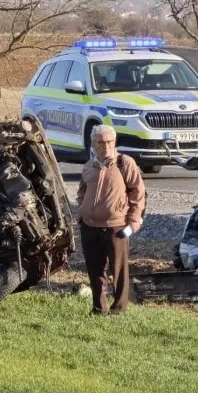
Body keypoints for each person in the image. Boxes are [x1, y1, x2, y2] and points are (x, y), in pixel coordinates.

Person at [76, 124, 146, 315]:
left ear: (114, 142)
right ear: (94, 144)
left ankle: (119, 309)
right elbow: (82, 191)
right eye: (101, 142)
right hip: (90, 226)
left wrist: (134, 220)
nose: (106, 146)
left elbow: (138, 193)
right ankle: (98, 309)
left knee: (119, 270)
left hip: (116, 226)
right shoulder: (89, 166)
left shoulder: (125, 163)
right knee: (95, 270)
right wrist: (81, 211)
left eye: (109, 142)